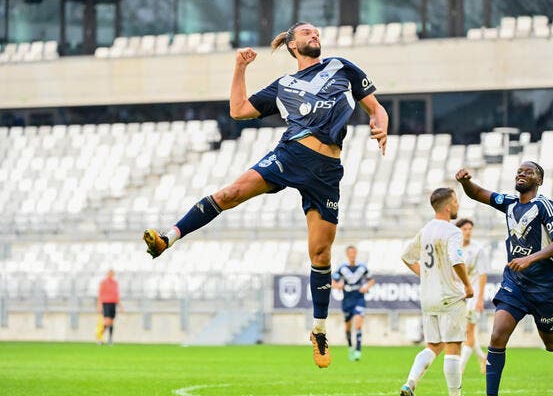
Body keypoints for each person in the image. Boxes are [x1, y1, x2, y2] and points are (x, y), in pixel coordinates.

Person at [141, 22, 388, 369]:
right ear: (291, 45)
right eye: (305, 32)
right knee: (230, 193)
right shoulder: (283, 85)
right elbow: (239, 110)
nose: (313, 35)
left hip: (327, 171)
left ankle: (318, 330)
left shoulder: (341, 67)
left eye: (316, 31)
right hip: (290, 155)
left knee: (319, 253)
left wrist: (381, 123)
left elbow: (376, 107)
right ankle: (168, 238)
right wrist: (240, 68)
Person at [455, 162, 553, 396]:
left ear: (539, 180)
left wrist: (530, 258)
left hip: (544, 287)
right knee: (497, 335)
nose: (521, 174)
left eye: (529, 172)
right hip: (515, 283)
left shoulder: (544, 206)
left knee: (550, 342)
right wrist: (466, 182)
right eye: (519, 171)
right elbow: (479, 194)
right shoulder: (510, 202)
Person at [399, 188, 481, 396]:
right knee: (453, 347)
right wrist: (466, 284)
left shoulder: (426, 230)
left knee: (434, 346)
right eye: (455, 201)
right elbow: (456, 259)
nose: (457, 205)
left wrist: (427, 276)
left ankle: (409, 384)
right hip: (449, 297)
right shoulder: (452, 232)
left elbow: (406, 256)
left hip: (428, 298)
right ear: (447, 206)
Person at [455, 218, 488, 374]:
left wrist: (480, 299)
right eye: (464, 229)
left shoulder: (478, 250)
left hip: (473, 297)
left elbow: (482, 275)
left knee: (469, 332)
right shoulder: (454, 249)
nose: (467, 232)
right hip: (458, 296)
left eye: (470, 229)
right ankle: (483, 358)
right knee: (466, 333)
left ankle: (459, 370)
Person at [332, 245, 374, 361]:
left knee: (358, 325)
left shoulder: (362, 268)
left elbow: (371, 280)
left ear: (356, 253)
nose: (352, 255)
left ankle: (358, 351)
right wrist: (338, 285)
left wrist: (366, 286)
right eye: (350, 253)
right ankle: (350, 347)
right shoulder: (342, 268)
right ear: (347, 254)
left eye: (354, 253)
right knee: (348, 327)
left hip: (359, 298)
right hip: (347, 299)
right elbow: (332, 282)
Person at [96, 269, 122, 345]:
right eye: (110, 273)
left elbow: (116, 295)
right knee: (107, 321)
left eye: (112, 273)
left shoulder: (115, 283)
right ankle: (99, 337)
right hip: (106, 303)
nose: (111, 275)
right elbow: (100, 294)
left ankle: (110, 339)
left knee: (111, 322)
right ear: (107, 274)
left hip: (113, 303)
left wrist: (120, 305)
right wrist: (99, 305)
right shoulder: (103, 282)